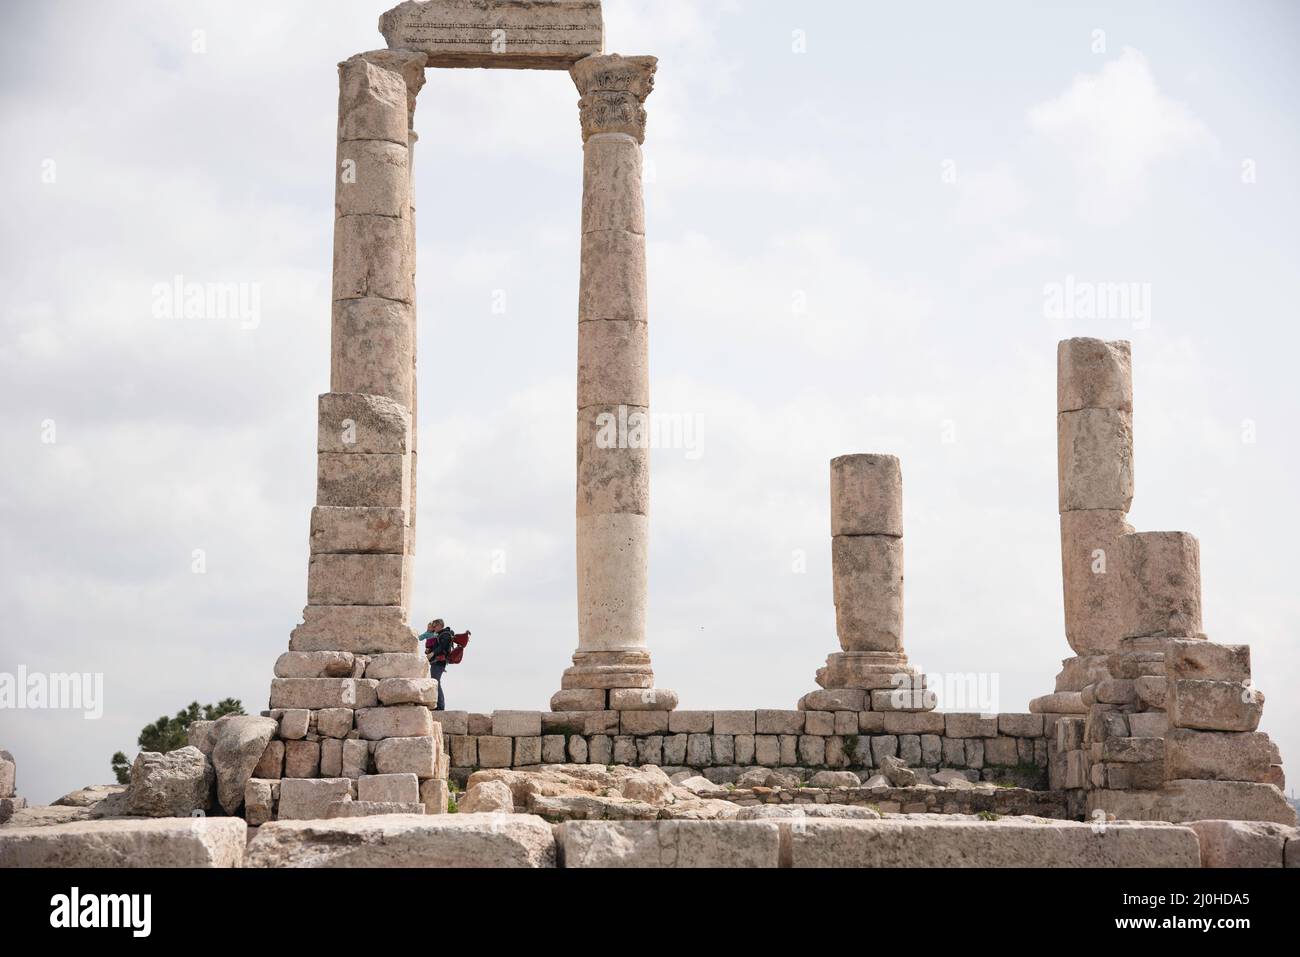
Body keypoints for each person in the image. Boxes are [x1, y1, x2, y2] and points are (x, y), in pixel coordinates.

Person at [419, 618, 469, 711]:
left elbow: (442, 647)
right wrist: (429, 650)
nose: (433, 627)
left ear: (441, 625)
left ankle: (440, 706)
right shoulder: (440, 634)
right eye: (433, 626)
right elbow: (436, 646)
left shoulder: (445, 634)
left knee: (436, 683)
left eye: (435, 626)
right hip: (436, 662)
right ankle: (439, 705)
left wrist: (433, 653)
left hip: (439, 662)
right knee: (436, 682)